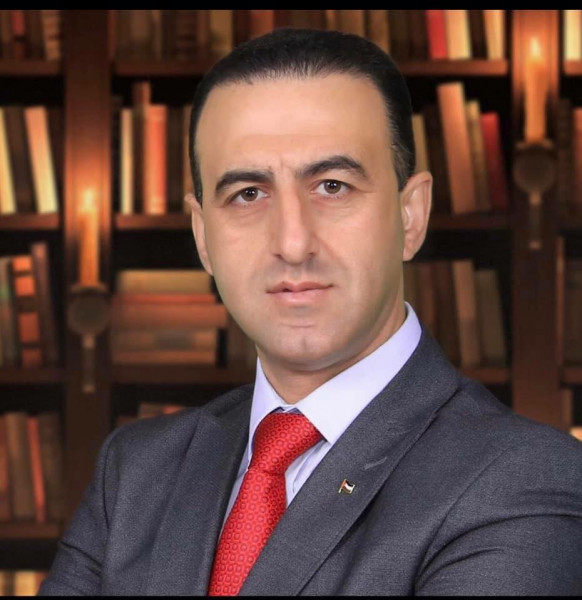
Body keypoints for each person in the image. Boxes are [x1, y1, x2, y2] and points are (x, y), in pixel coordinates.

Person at [40, 27, 582, 596]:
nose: (293, 243)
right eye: (248, 194)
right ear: (203, 237)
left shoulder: (524, 478)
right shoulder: (134, 473)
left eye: (332, 186)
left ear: (412, 216)